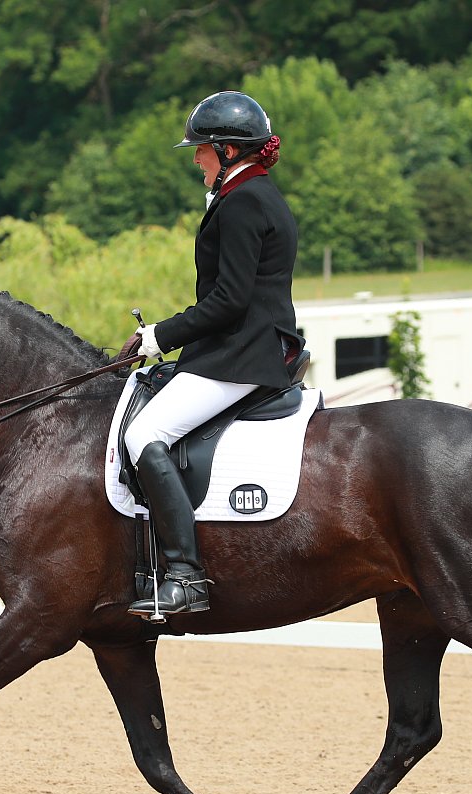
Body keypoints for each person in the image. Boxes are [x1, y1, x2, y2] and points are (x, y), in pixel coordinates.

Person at [125, 90, 299, 619]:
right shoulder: (254, 194)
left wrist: (161, 335)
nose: (195, 158)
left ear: (226, 150)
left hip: (241, 355)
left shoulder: (244, 202)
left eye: (200, 149)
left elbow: (228, 301)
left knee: (143, 434)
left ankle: (183, 575)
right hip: (242, 348)